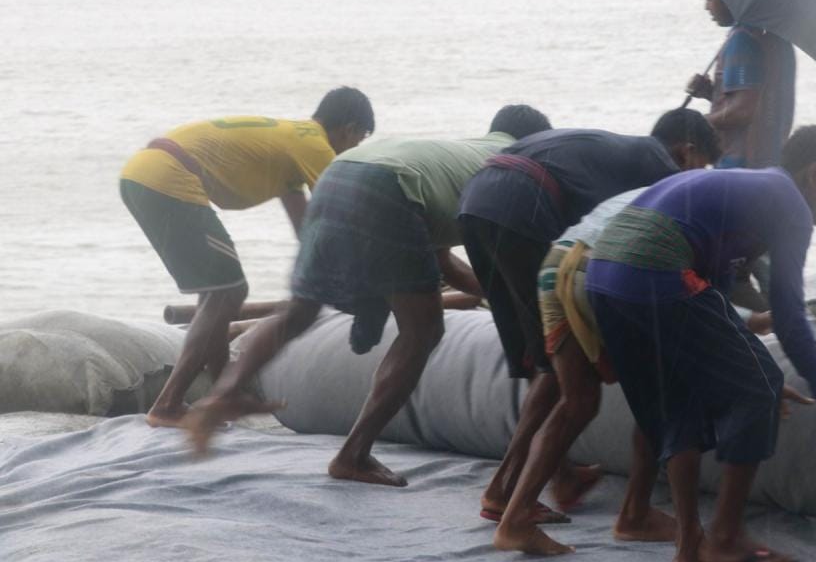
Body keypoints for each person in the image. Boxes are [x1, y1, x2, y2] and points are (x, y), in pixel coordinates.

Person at [182, 104, 552, 487]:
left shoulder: (459, 154)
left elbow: (444, 262)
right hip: (387, 187)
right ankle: (353, 455)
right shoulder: (511, 167)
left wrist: (490, 292)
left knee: (300, 311)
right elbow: (499, 265)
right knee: (422, 331)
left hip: (341, 175)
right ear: (535, 143)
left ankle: (223, 392)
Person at [495, 186, 816, 555]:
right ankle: (688, 530)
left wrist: (751, 347)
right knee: (677, 389)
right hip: (607, 266)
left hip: (558, 266)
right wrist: (803, 361)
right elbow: (758, 293)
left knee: (581, 401)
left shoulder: (675, 194)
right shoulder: (733, 211)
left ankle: (516, 515)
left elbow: (717, 293)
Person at [586, 125, 816, 562]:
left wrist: (750, 359)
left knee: (677, 405)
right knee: (761, 384)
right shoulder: (788, 203)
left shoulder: (745, 191)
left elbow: (716, 302)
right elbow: (787, 308)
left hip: (603, 275)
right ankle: (725, 538)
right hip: (652, 263)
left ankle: (690, 545)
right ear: (814, 173)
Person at [457, 109, 720, 525]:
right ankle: (505, 490)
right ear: (685, 152)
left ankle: (554, 479)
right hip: (523, 202)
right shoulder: (660, 164)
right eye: (702, 167)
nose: (696, 180)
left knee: (544, 358)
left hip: (477, 200)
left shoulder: (622, 152)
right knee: (564, 364)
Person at [120, 87, 374, 428]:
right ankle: (168, 404)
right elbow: (344, 214)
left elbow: (308, 229)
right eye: (356, 141)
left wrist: (324, 281)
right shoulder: (315, 146)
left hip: (144, 174)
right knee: (228, 292)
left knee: (218, 291)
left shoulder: (291, 144)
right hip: (169, 176)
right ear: (349, 129)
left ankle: (224, 393)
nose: (351, 150)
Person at [685, 0, 796, 170]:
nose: (706, 6)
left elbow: (743, 111)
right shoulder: (774, 37)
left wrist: (697, 124)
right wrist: (711, 94)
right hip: (769, 164)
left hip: (738, 167)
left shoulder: (743, 40)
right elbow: (758, 99)